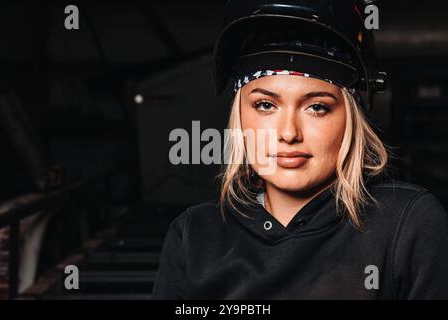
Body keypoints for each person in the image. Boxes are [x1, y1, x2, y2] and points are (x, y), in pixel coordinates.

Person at [152, 0, 448, 299]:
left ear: (351, 117)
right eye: (266, 105)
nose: (289, 133)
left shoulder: (409, 224)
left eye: (317, 107)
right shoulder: (194, 235)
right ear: (239, 115)